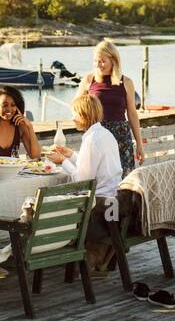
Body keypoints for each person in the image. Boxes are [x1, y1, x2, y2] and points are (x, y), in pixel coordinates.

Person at [48, 92, 122, 270]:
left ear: (84, 115)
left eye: (75, 114)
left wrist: (62, 161)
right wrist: (71, 155)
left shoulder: (91, 140)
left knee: (52, 204)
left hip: (100, 202)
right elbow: (91, 164)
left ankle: (52, 247)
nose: (72, 118)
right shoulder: (104, 134)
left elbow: (82, 180)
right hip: (114, 196)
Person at [77, 40, 143, 174]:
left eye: (102, 61)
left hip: (121, 138)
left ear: (113, 60)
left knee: (125, 181)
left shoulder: (126, 82)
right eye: (96, 61)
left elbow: (132, 114)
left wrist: (139, 144)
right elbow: (76, 107)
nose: (98, 65)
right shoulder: (89, 80)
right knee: (98, 178)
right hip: (97, 137)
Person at [0, 85, 42, 162]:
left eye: (13, 105)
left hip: (16, 173)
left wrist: (29, 126)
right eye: (5, 105)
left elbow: (36, 156)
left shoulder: (20, 127)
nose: (9, 109)